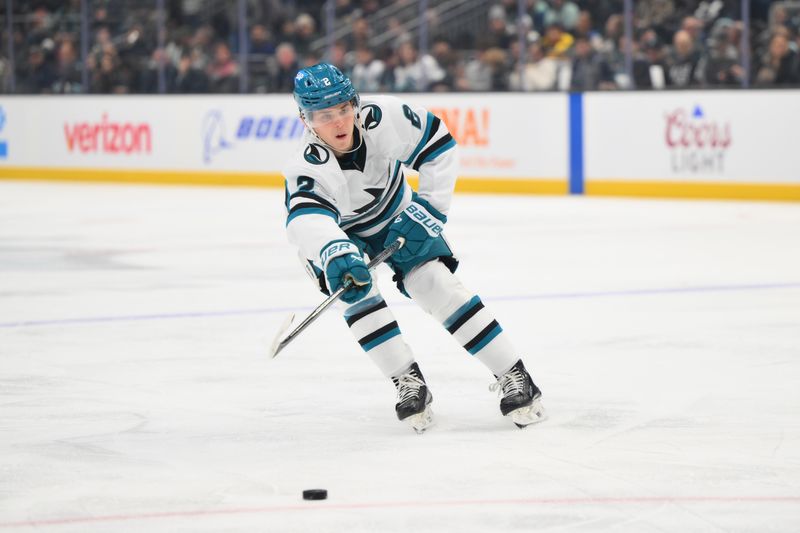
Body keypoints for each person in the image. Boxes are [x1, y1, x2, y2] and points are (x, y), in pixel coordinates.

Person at [281, 63, 545, 433]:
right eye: (324, 115)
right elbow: (306, 219)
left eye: (343, 108)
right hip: (342, 234)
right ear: (305, 119)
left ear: (355, 103)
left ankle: (514, 374)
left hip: (397, 213)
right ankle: (407, 381)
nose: (339, 122)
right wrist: (336, 252)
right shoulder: (306, 165)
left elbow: (439, 145)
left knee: (434, 284)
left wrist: (431, 207)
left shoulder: (382, 117)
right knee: (358, 297)